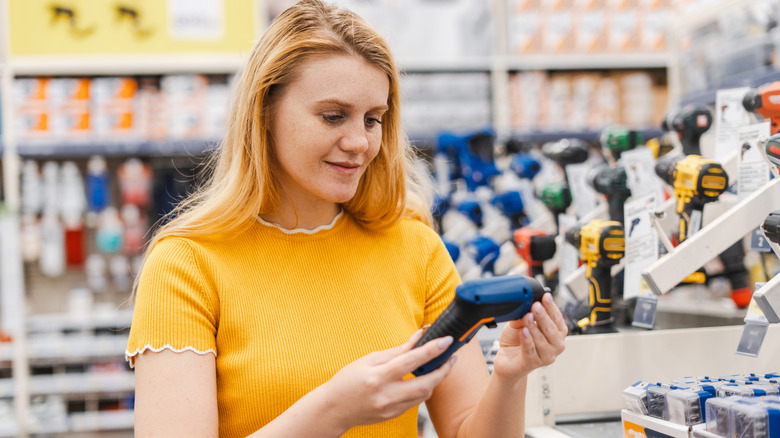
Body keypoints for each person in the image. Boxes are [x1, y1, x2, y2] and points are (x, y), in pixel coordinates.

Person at [125, 1, 567, 437]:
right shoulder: (187, 265)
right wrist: (334, 411)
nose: (359, 142)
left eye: (373, 119)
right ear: (264, 112)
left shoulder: (414, 248)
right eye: (333, 116)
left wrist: (510, 375)